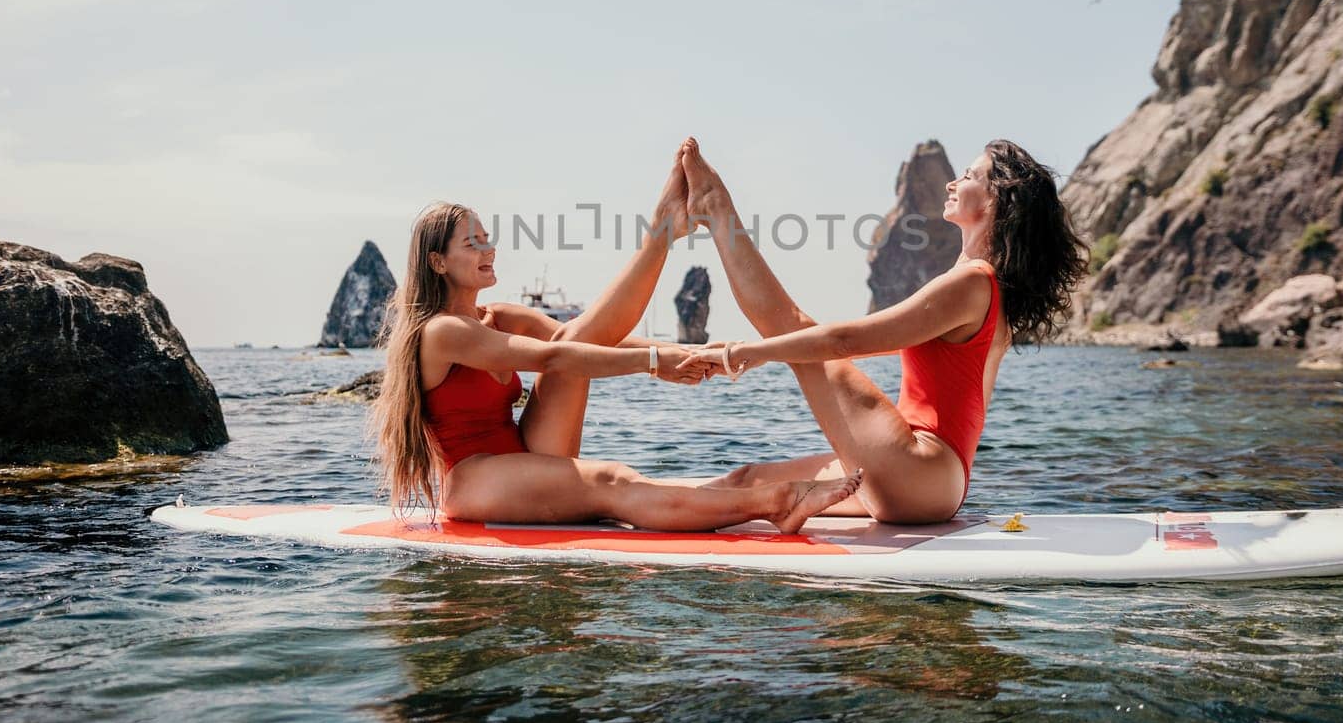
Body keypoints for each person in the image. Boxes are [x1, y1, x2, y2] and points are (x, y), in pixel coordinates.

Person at [369, 141, 861, 534]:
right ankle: (777, 501)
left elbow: (591, 340)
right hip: (476, 479)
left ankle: (662, 231)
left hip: (526, 452)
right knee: (613, 480)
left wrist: (690, 355)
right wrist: (653, 362)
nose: (488, 249)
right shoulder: (442, 332)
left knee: (581, 333)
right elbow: (556, 355)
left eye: (488, 237)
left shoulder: (496, 315)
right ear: (437, 262)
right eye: (472, 243)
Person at [677, 138, 1085, 524]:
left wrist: (743, 354)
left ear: (997, 198)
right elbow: (875, 347)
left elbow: (844, 342)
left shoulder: (974, 283)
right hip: (931, 483)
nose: (952, 182)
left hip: (918, 469)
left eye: (968, 175)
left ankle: (716, 209)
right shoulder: (984, 286)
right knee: (749, 480)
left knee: (790, 323)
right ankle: (646, 513)